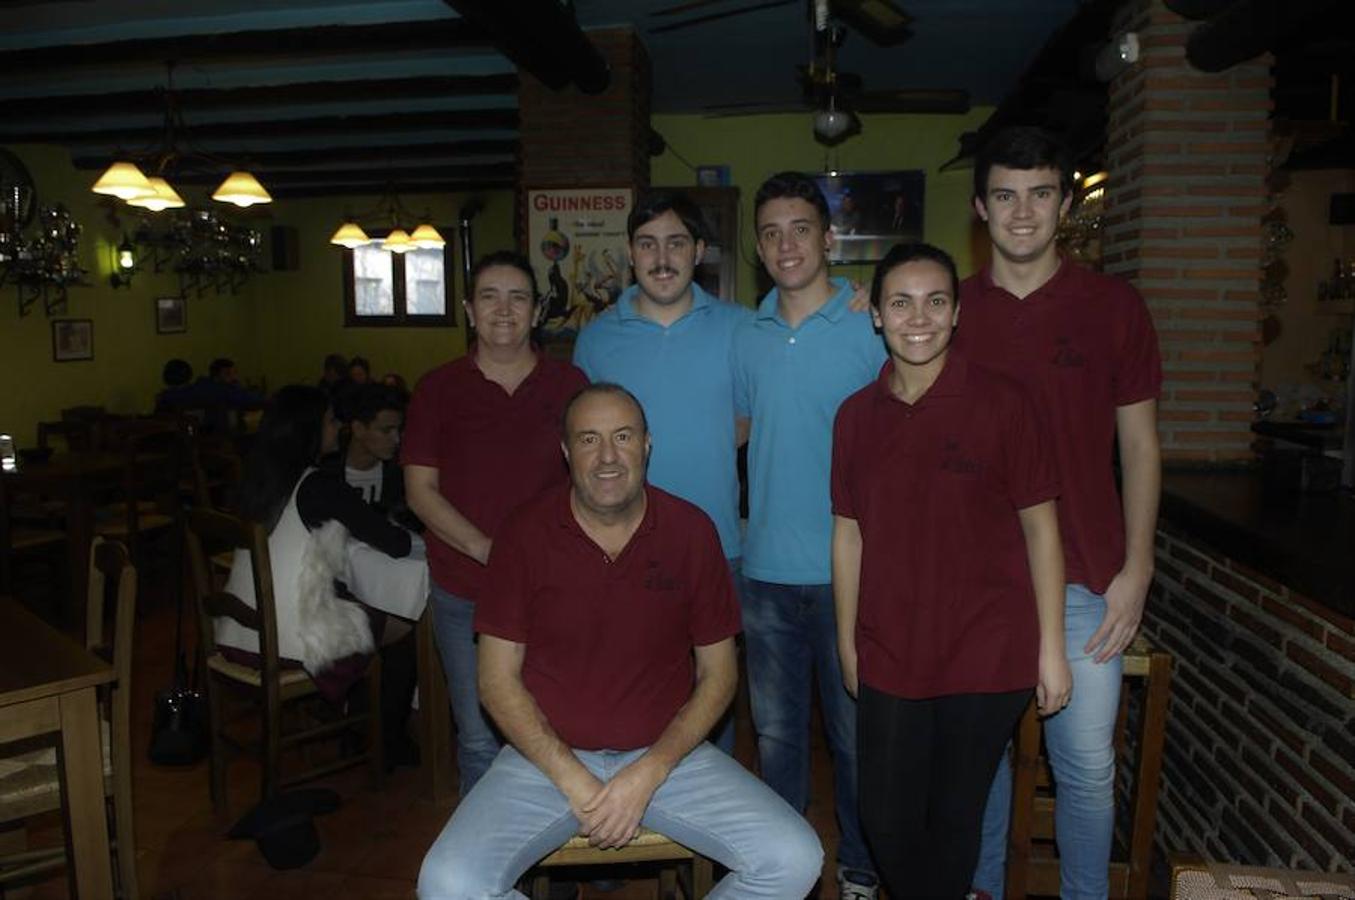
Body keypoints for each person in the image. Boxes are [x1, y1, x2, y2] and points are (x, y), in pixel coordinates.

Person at [417, 384, 823, 899]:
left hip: (670, 758)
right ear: (566, 452)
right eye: (589, 439)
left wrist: (649, 771)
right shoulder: (523, 534)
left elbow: (719, 676)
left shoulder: (691, 531)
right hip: (544, 761)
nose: (607, 456)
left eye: (622, 436)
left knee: (795, 858)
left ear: (647, 445)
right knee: (446, 883)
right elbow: (496, 682)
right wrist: (576, 782)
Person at [831, 242, 1071, 898]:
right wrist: (847, 638)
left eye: (935, 301)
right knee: (883, 817)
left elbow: (1040, 529)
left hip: (986, 649)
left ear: (956, 312)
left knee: (954, 819)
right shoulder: (854, 417)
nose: (918, 317)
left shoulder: (1003, 403)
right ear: (876, 315)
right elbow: (847, 534)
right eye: (900, 302)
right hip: (889, 644)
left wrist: (1051, 650)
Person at [960, 126, 1162, 900]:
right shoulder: (947, 312)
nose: (1021, 213)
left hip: (1086, 576)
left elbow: (1140, 448)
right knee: (977, 764)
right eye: (1005, 196)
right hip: (977, 582)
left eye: (1039, 193)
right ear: (980, 207)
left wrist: (1137, 569)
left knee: (1083, 769)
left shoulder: (1112, 307)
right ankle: (979, 889)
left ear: (1064, 203)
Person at [732, 171, 885, 898]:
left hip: (850, 573)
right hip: (763, 573)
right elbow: (735, 430)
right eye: (770, 232)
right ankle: (781, 874)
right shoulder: (746, 333)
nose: (784, 244)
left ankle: (857, 870)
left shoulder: (869, 324)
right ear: (758, 248)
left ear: (827, 238)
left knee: (855, 741)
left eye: (798, 228)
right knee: (777, 741)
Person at [403, 250, 588, 798]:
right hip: (466, 594)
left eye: (518, 297)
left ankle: (564, 860)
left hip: (556, 591)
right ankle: (490, 876)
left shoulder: (569, 384)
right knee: (481, 738)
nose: (504, 309)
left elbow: (592, 479)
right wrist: (487, 549)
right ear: (468, 309)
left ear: (536, 312)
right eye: (489, 296)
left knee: (562, 730)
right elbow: (420, 491)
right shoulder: (438, 389)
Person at [573, 191, 751, 749]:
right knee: (631, 691)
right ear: (630, 253)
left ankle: (705, 819)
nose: (662, 257)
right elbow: (584, 444)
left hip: (717, 543)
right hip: (621, 548)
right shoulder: (598, 337)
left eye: (676, 243)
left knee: (712, 690)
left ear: (698, 250)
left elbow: (747, 422)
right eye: (648, 245)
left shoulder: (740, 328)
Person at [218, 385, 413, 713]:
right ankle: (383, 738)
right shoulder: (319, 485)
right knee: (408, 622)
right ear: (308, 429)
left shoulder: (262, 480)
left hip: (238, 632)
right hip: (289, 641)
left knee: (354, 606)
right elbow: (397, 543)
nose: (339, 427)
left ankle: (342, 718)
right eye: (331, 421)